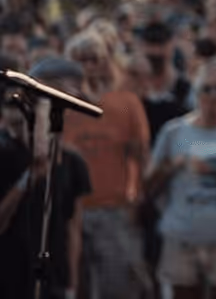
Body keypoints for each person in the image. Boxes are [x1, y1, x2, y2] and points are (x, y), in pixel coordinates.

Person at [144, 60, 216, 299]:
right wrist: (174, 165)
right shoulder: (174, 131)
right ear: (196, 94)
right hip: (181, 234)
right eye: (207, 88)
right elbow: (149, 183)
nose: (213, 95)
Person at [62, 29, 153, 299]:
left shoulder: (126, 102)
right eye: (80, 60)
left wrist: (136, 199)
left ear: (106, 61)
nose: (88, 66)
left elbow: (140, 155)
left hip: (114, 208)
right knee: (76, 286)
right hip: (70, 211)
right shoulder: (60, 104)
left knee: (118, 287)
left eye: (94, 59)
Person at [0, 59, 94, 299]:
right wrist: (26, 180)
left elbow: (73, 226)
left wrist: (72, 284)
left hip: (55, 277)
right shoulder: (6, 154)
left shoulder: (71, 161)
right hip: (10, 275)